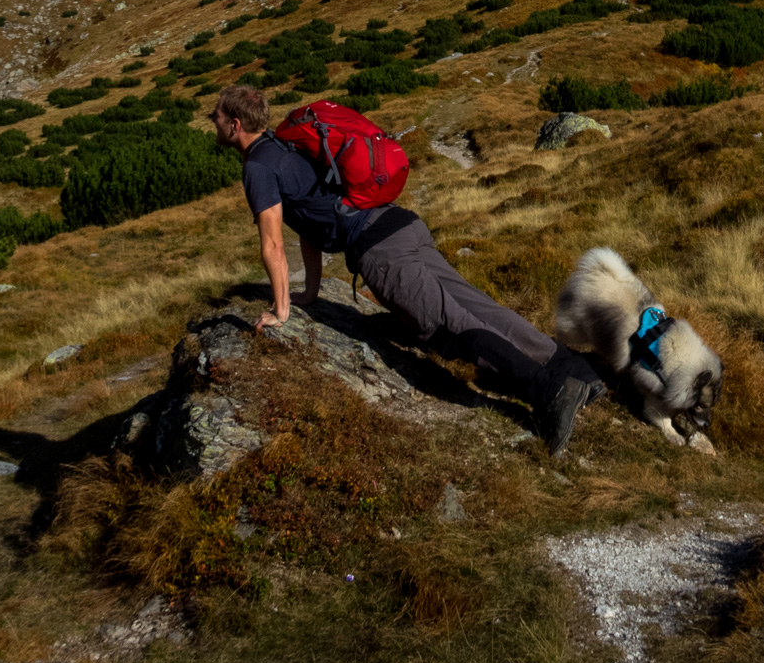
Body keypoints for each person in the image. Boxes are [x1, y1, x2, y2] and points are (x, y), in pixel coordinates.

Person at [208, 84, 604, 455]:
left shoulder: (258, 167)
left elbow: (274, 243)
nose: (213, 121)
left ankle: (549, 392)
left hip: (381, 249)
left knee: (447, 327)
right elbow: (308, 226)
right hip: (400, 223)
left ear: (235, 124)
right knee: (477, 307)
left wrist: (281, 310)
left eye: (216, 116)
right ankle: (576, 370)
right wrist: (309, 293)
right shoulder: (285, 145)